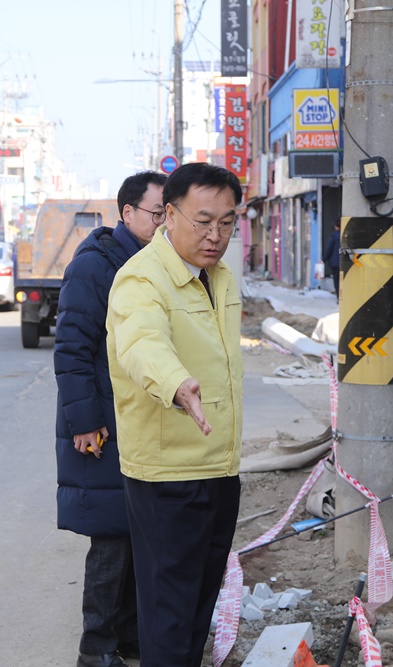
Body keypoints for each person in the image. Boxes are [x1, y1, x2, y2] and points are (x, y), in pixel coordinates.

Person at [106, 162, 244, 666]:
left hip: (218, 467)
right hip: (168, 475)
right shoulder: (140, 278)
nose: (215, 235)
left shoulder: (220, 277)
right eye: (202, 221)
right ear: (169, 214)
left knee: (197, 609)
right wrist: (176, 383)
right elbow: (141, 343)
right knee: (167, 614)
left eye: (227, 223)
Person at [54, 170, 167, 667]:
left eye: (170, 214)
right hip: (103, 424)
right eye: (157, 213)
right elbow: (72, 349)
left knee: (138, 534)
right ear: (128, 214)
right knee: (112, 538)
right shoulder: (96, 266)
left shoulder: (153, 263)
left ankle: (129, 637)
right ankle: (95, 647)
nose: (165, 223)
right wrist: (84, 423)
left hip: (140, 422)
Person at [323, 220, 341, 299]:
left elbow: (328, 249)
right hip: (344, 262)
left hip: (335, 263)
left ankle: (339, 297)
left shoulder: (334, 236)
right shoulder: (346, 234)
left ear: (336, 226)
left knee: (337, 281)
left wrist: (323, 260)